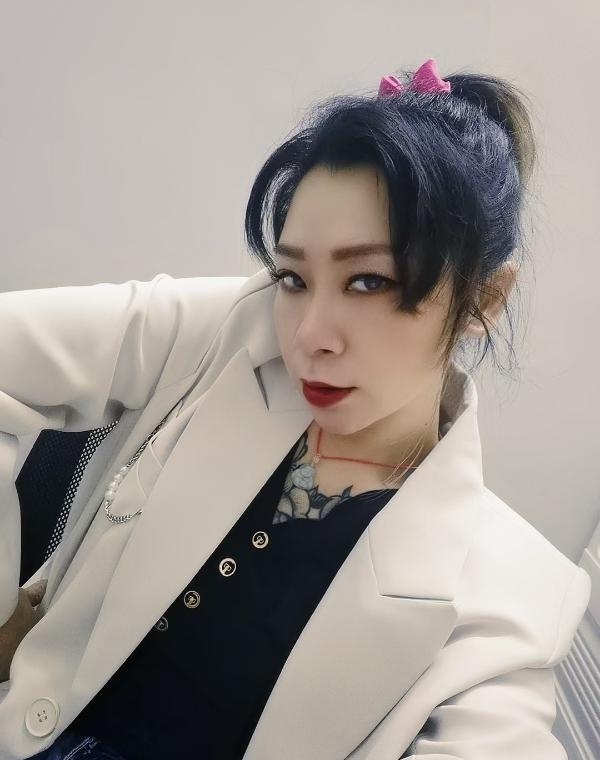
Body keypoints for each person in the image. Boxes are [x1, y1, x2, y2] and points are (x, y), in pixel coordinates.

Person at [0, 58, 591, 760]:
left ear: (482, 300)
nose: (310, 334)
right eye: (293, 276)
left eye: (368, 281)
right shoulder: (236, 333)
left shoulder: (511, 601)